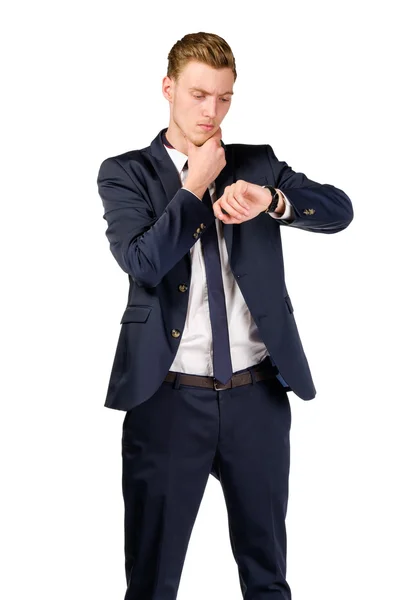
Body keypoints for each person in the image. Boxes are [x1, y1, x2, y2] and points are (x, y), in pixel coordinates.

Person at [97, 31, 353, 600]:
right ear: (168, 89)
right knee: (152, 582)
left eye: (224, 98)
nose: (211, 112)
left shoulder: (257, 164)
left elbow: (340, 211)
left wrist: (275, 201)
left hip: (257, 400)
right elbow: (142, 263)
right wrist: (192, 188)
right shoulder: (126, 173)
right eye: (197, 95)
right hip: (165, 400)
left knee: (267, 578)